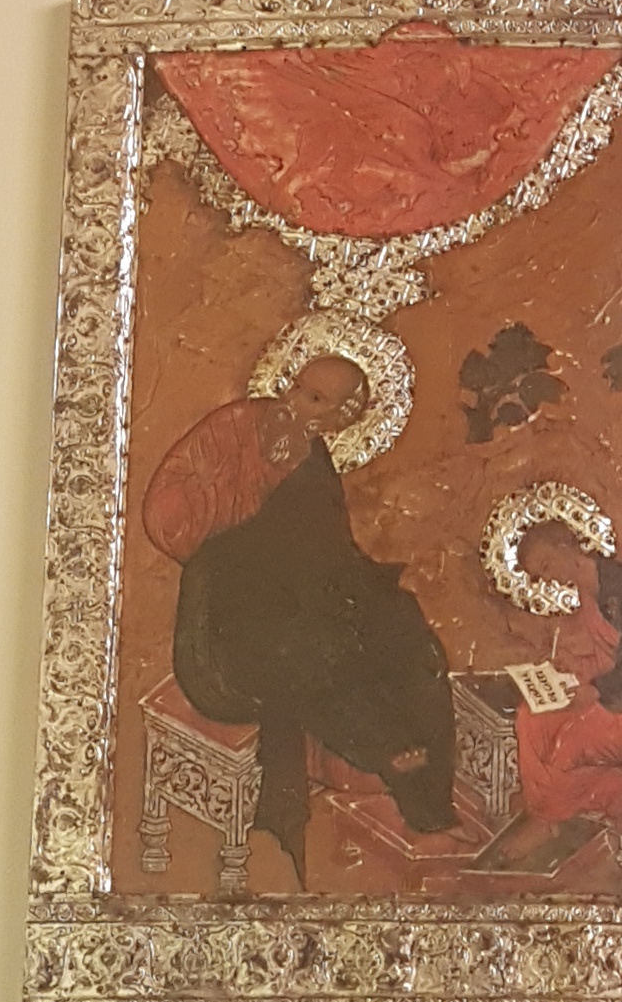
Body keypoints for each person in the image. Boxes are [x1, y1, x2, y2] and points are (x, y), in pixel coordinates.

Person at [142, 352, 455, 881]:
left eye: (317, 402)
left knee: (404, 633)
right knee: (315, 652)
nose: (296, 405)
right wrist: (236, 510)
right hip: (227, 622)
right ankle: (389, 750)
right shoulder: (238, 428)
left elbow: (332, 552)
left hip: (299, 601)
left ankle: (428, 801)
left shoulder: (313, 463)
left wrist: (376, 585)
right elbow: (168, 511)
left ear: (341, 418)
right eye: (299, 390)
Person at [509, 519, 622, 840]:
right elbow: (607, 658)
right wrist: (572, 669)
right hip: (614, 695)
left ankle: (566, 810)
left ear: (566, 546)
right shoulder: (587, 590)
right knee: (530, 720)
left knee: (570, 742)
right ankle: (551, 802)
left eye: (546, 565)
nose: (549, 579)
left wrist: (595, 691)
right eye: (540, 576)